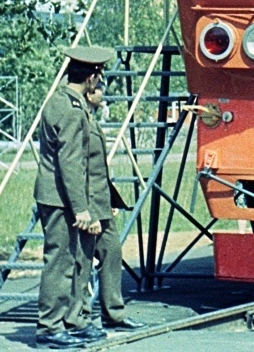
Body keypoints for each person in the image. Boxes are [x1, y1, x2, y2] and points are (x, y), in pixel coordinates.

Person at [33, 45, 113, 349]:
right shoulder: (67, 108)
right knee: (60, 262)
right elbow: (71, 163)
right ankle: (49, 328)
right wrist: (81, 209)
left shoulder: (69, 103)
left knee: (79, 259)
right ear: (92, 78)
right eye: (99, 77)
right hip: (59, 199)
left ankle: (74, 322)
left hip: (62, 196)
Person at [65, 83, 147, 332]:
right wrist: (88, 211)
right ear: (90, 91)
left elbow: (99, 171)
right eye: (101, 87)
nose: (104, 93)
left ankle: (114, 313)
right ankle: (78, 318)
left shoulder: (89, 116)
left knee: (112, 253)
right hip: (88, 206)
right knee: (83, 260)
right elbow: (80, 170)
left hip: (101, 203)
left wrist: (108, 202)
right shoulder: (76, 117)